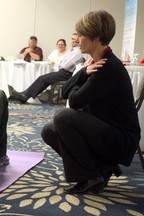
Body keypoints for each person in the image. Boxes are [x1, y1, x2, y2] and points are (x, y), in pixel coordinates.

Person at [41, 10, 140, 194]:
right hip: (106, 129)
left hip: (121, 139)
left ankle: (92, 176)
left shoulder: (106, 67)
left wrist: (79, 80)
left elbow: (75, 100)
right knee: (49, 131)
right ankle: (99, 170)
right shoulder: (95, 62)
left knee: (64, 116)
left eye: (81, 35)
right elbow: (64, 91)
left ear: (96, 37)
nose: (77, 39)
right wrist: (82, 73)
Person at [11, 33, 83, 103]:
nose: (73, 40)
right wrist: (62, 62)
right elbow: (63, 62)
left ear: (79, 41)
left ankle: (25, 96)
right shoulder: (71, 50)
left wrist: (62, 62)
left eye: (76, 39)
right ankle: (25, 94)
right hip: (62, 72)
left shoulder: (77, 52)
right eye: (72, 39)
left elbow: (65, 65)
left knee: (44, 79)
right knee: (42, 77)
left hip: (67, 74)